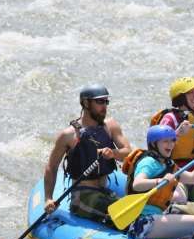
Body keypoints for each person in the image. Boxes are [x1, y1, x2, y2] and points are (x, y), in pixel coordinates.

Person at [43, 84, 131, 225]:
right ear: (85, 103)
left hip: (104, 191)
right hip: (82, 196)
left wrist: (113, 153)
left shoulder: (111, 126)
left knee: (131, 211)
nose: (104, 106)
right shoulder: (68, 135)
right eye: (99, 102)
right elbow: (51, 167)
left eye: (106, 101)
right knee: (124, 217)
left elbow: (128, 152)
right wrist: (48, 198)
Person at [124, 125, 194, 239]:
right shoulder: (148, 162)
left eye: (172, 141)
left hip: (158, 217)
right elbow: (137, 184)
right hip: (141, 223)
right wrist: (159, 181)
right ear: (154, 144)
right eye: (165, 141)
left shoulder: (168, 164)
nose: (170, 144)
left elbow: (193, 179)